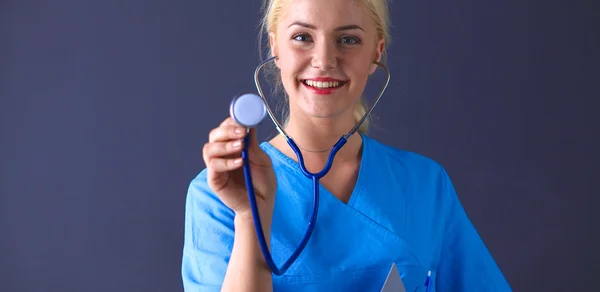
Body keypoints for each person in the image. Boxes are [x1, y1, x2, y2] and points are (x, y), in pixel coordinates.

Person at [181, 0, 512, 291]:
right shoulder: (218, 194)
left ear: (376, 53)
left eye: (348, 39)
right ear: (275, 48)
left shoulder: (424, 184)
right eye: (302, 37)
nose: (324, 60)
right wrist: (249, 218)